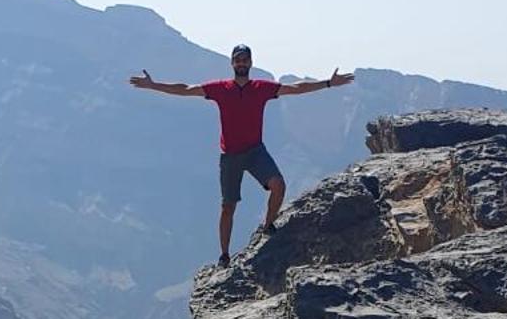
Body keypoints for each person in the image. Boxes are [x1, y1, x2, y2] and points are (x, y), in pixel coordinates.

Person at [130, 45, 354, 265]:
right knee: (228, 206)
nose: (241, 63)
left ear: (251, 62)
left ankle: (268, 226)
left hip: (255, 151)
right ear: (232, 63)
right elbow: (186, 89)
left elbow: (294, 88)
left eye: (245, 59)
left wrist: (327, 83)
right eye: (238, 60)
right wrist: (153, 85)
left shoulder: (261, 88)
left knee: (278, 186)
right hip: (230, 156)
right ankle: (224, 255)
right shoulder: (220, 88)